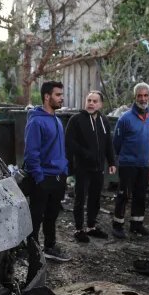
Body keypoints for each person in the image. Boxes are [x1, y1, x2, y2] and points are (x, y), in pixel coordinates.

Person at [24, 81, 71, 262]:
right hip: (43, 178)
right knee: (36, 216)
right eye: (58, 95)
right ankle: (32, 252)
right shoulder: (36, 121)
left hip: (58, 177)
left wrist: (64, 169)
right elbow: (31, 153)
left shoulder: (57, 120)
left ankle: (50, 247)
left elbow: (61, 149)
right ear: (47, 96)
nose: (61, 98)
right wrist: (39, 177)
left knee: (52, 215)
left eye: (61, 95)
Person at [65, 90, 117, 243]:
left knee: (95, 198)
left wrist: (112, 162)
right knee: (80, 198)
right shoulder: (76, 120)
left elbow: (108, 143)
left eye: (95, 101)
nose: (91, 103)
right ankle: (79, 229)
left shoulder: (103, 120)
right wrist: (84, 154)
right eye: (89, 100)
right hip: (82, 167)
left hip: (98, 167)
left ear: (100, 104)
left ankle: (91, 226)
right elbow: (69, 142)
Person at [112, 82, 149, 238]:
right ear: (135, 97)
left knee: (140, 195)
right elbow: (116, 142)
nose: (143, 99)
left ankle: (137, 225)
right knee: (123, 195)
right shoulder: (125, 118)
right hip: (128, 164)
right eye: (139, 96)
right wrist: (121, 158)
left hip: (143, 164)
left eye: (145, 95)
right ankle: (117, 225)